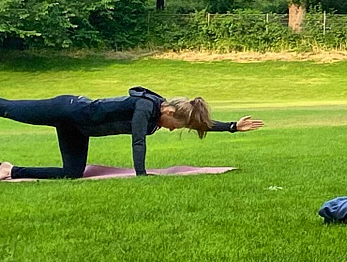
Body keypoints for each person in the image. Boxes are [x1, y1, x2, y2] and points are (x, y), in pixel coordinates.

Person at [0, 87, 265, 179]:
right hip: (65, 109)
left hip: (78, 129)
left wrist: (231, 126)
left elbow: (196, 123)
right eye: (175, 126)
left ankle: (10, 170)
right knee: (8, 109)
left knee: (71, 173)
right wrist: (141, 174)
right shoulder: (144, 107)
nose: (172, 130)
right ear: (170, 112)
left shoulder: (162, 114)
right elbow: (137, 140)